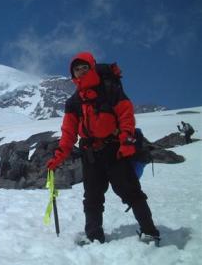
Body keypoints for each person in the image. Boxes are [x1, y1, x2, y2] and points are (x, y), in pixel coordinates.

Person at [46, 52, 160, 245]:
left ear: (92, 67)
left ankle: (149, 231)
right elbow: (68, 133)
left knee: (130, 192)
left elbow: (126, 116)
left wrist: (127, 142)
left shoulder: (110, 89)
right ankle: (94, 235)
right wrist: (58, 157)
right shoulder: (73, 102)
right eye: (76, 69)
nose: (80, 72)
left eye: (84, 67)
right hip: (91, 155)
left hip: (115, 150)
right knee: (92, 197)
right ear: (73, 74)